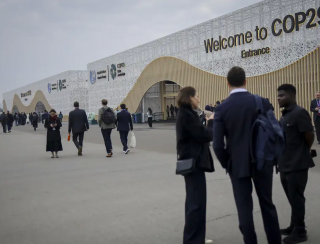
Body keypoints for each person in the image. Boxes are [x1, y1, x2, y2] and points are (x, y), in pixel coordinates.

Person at [213, 66, 281, 244]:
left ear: (227, 83)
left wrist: (227, 163)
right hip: (263, 160)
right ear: (246, 81)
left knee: (244, 209)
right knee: (267, 204)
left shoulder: (222, 109)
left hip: (237, 164)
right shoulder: (261, 102)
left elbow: (218, 145)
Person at [176, 87, 214, 244]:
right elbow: (204, 136)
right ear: (190, 98)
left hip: (191, 163)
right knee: (196, 203)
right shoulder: (188, 115)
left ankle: (196, 236)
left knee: (193, 201)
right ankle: (193, 239)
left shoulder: (184, 114)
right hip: (194, 163)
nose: (199, 99)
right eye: (197, 96)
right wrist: (211, 123)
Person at [277, 84, 315, 244]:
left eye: (282, 95)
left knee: (297, 198)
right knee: (292, 198)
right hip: (285, 164)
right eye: (278, 95)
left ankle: (300, 232)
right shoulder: (284, 115)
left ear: (291, 96)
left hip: (297, 164)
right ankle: (294, 226)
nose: (278, 98)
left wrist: (301, 152)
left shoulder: (299, 113)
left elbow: (309, 135)